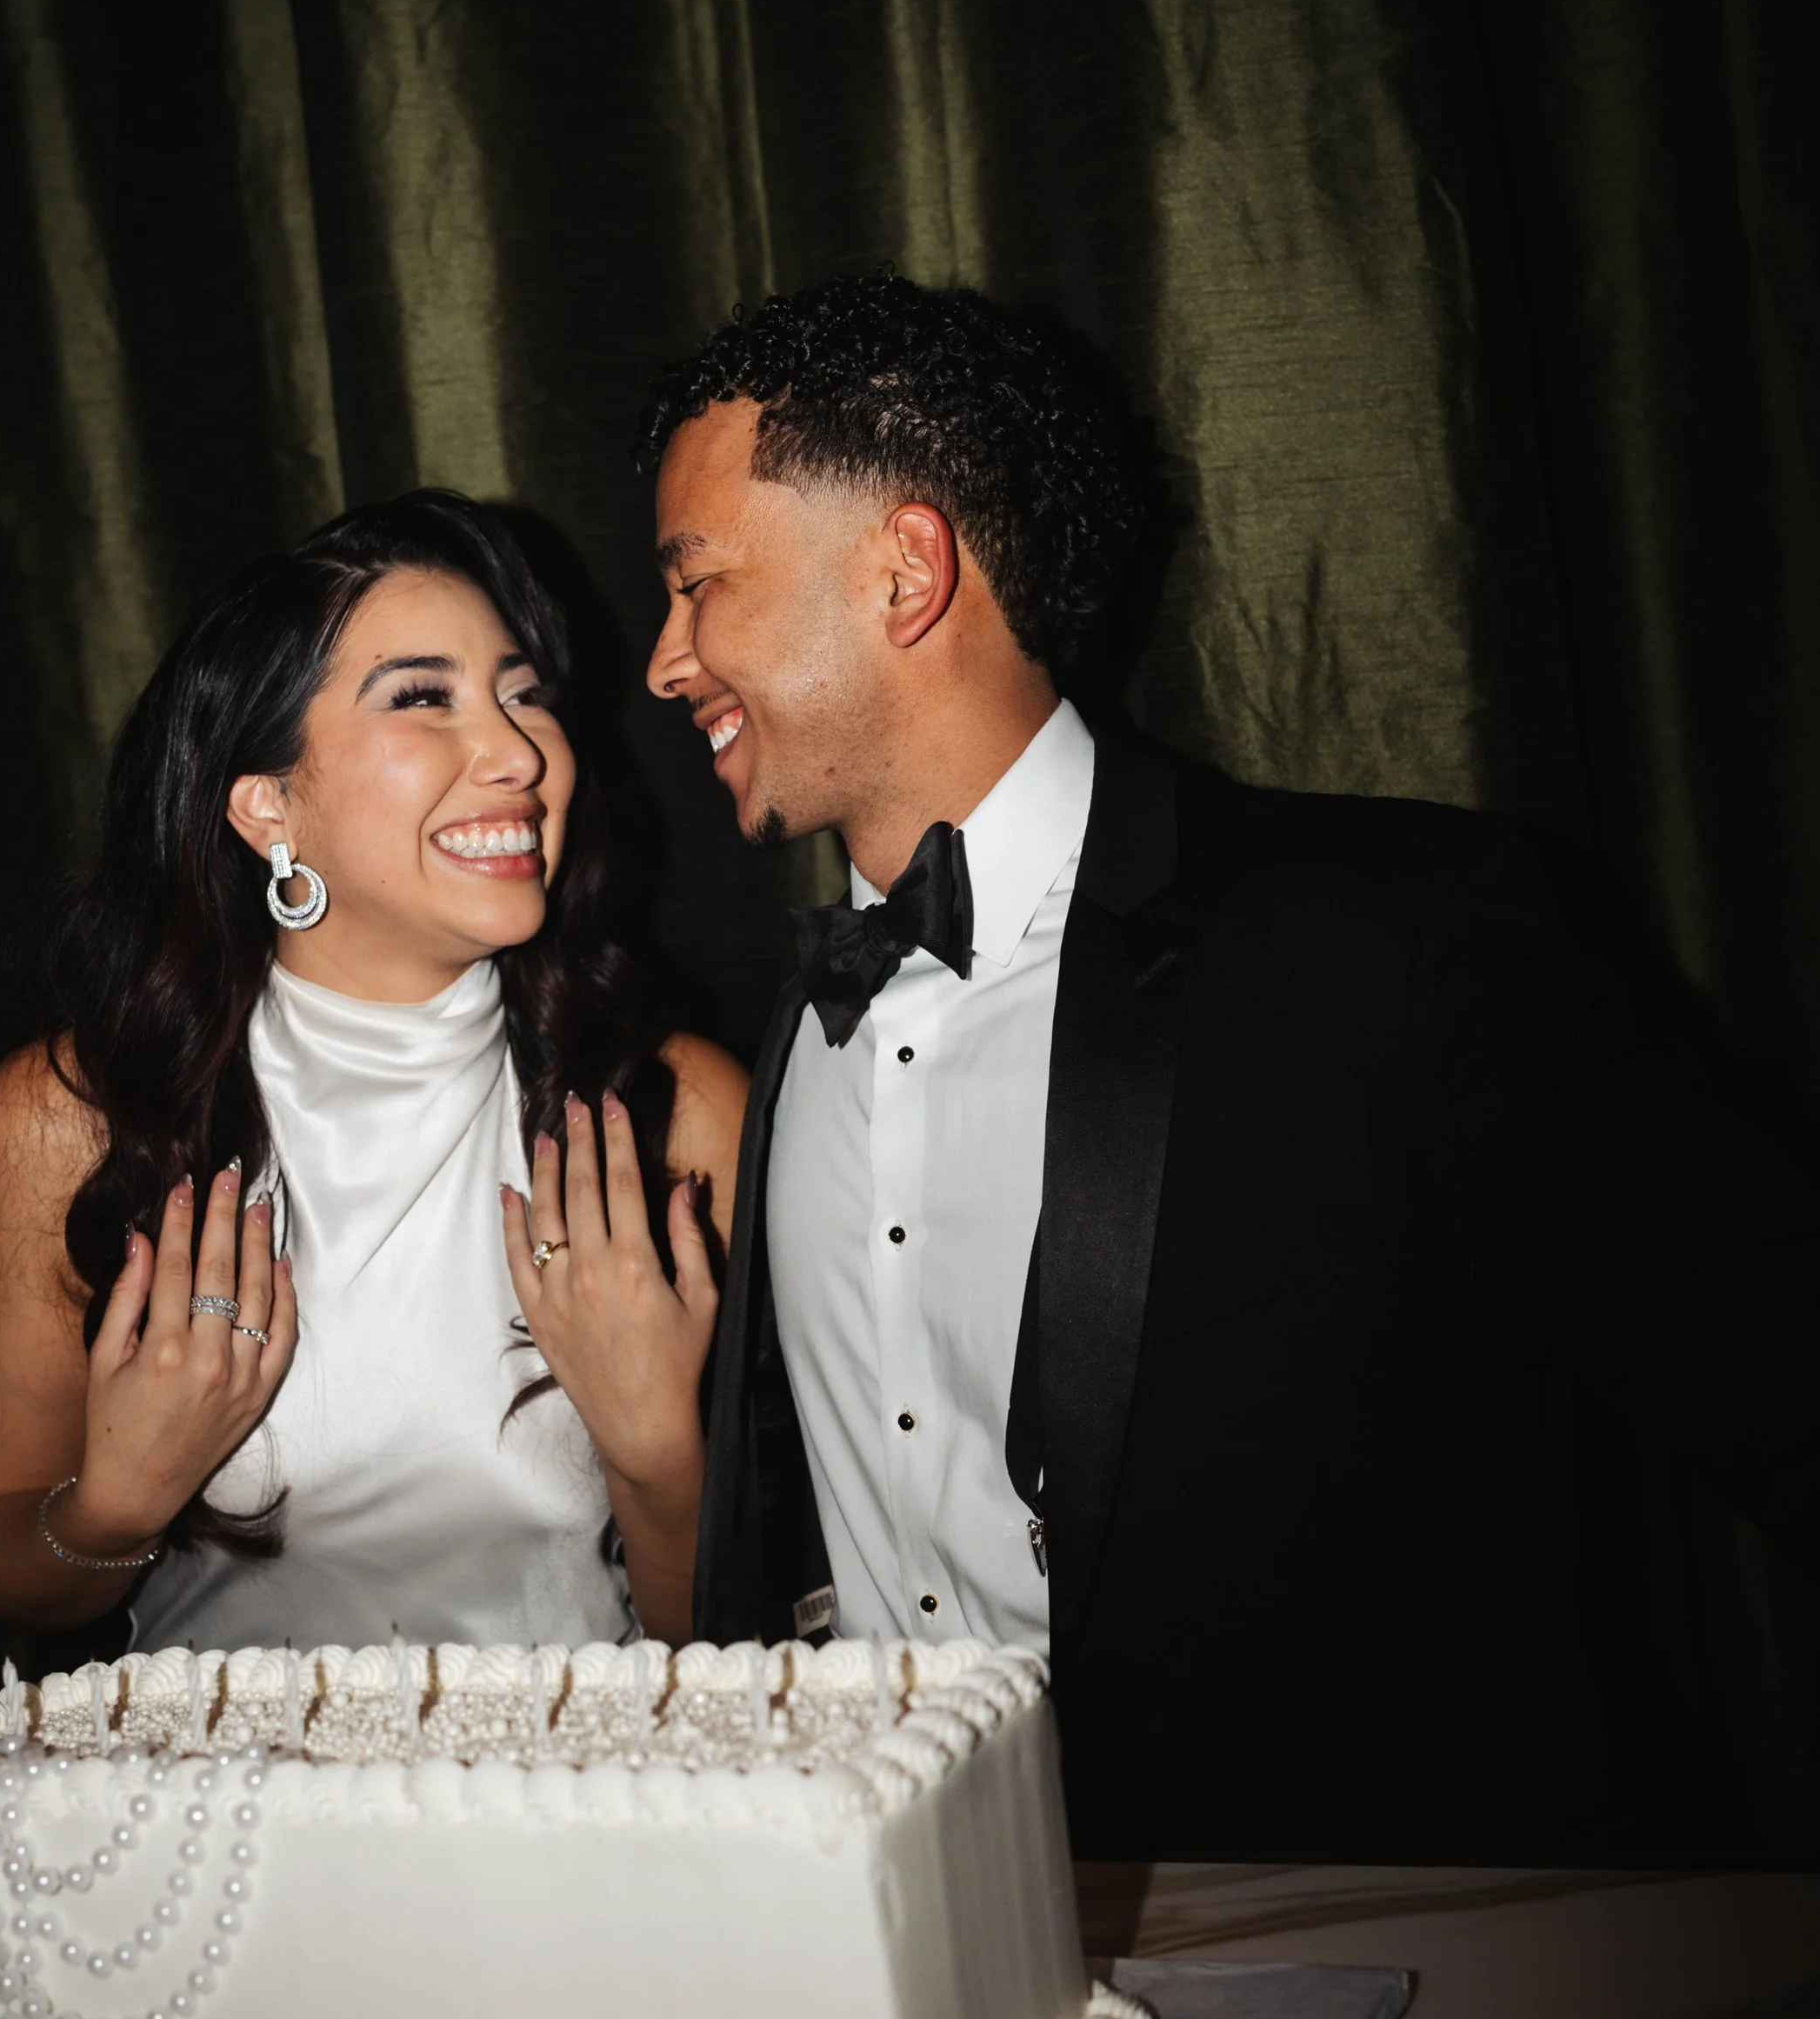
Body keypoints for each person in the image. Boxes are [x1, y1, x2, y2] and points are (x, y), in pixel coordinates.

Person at [640, 271, 1820, 1860]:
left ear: (906, 571)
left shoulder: (1396, 939)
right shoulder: (786, 1038)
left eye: (696, 583)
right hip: (920, 1989)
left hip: (1375, 1992)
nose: (663, 659)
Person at [0, 491, 744, 1652]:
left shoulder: (676, 1106)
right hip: (223, 1823)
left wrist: (663, 1462)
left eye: (524, 695)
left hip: (582, 1813)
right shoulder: (71, 1117)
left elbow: (765, 1660)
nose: (518, 753)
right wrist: (115, 1506)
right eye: (425, 698)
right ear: (268, 807)